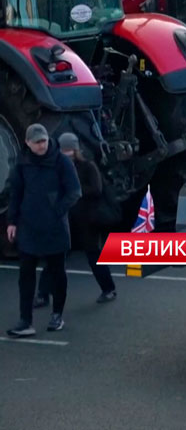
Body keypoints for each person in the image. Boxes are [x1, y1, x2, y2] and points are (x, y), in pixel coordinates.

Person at [6, 124, 81, 337]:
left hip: (55, 227)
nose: (42, 145)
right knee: (25, 275)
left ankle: (57, 315)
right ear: (28, 143)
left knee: (58, 273)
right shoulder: (22, 163)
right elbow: (16, 193)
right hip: (28, 226)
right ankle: (25, 320)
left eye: (44, 141)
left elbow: (74, 192)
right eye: (37, 142)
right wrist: (12, 221)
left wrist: (56, 211)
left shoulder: (62, 162)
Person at [34, 134, 116, 307]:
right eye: (63, 150)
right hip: (66, 219)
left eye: (69, 150)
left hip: (87, 220)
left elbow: (96, 189)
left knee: (94, 255)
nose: (66, 153)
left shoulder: (88, 166)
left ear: (76, 150)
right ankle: (42, 295)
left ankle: (109, 289)